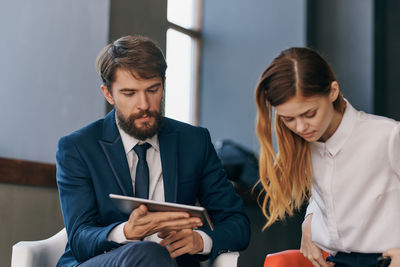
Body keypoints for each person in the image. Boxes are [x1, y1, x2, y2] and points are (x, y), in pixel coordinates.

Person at [56, 35, 250, 267]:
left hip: (171, 263)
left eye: (152, 90)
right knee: (147, 253)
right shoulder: (78, 148)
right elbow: (80, 239)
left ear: (163, 84)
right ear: (108, 94)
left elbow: (237, 223)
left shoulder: (194, 142)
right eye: (129, 93)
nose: (144, 104)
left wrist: (201, 241)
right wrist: (126, 231)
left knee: (153, 256)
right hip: (101, 262)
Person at [254, 47, 400, 267]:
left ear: (332, 91)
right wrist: (309, 221)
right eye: (288, 119)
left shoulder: (387, 136)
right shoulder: (305, 145)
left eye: (309, 113)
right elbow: (331, 190)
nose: (301, 127)